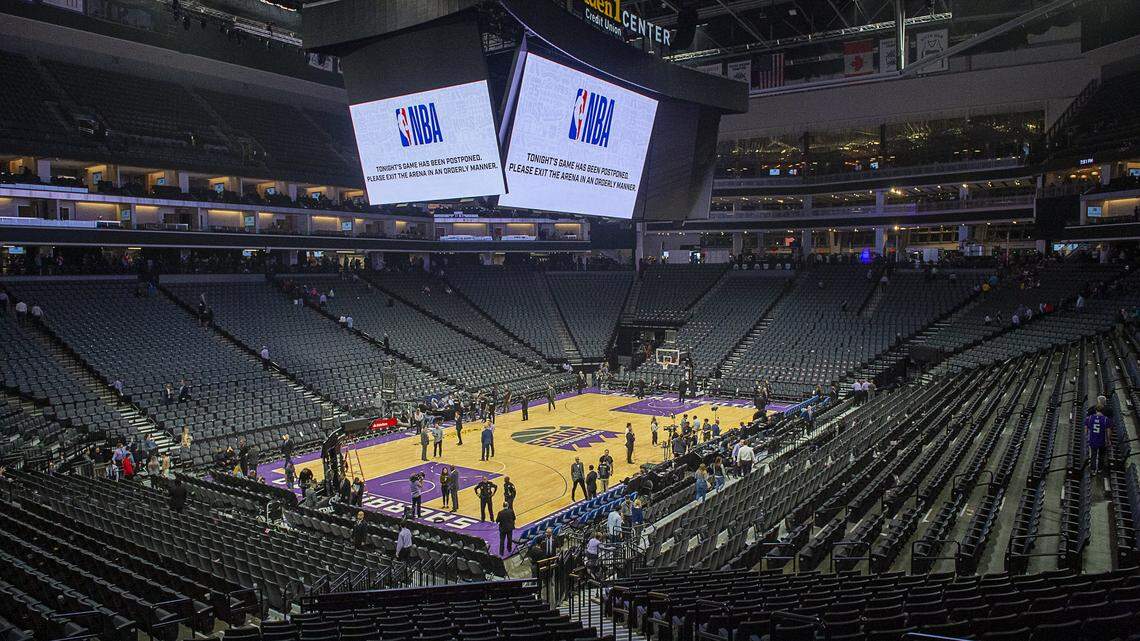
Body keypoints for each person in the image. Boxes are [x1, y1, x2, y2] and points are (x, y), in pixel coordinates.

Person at [1086, 405, 1110, 475]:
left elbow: (1086, 429)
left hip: (1093, 440)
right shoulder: (1106, 419)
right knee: (1101, 455)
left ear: (1095, 410)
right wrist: (1108, 440)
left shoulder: (1090, 418)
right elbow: (1108, 431)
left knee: (1093, 455)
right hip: (1102, 441)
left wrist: (1087, 436)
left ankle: (1093, 470)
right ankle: (1100, 469)